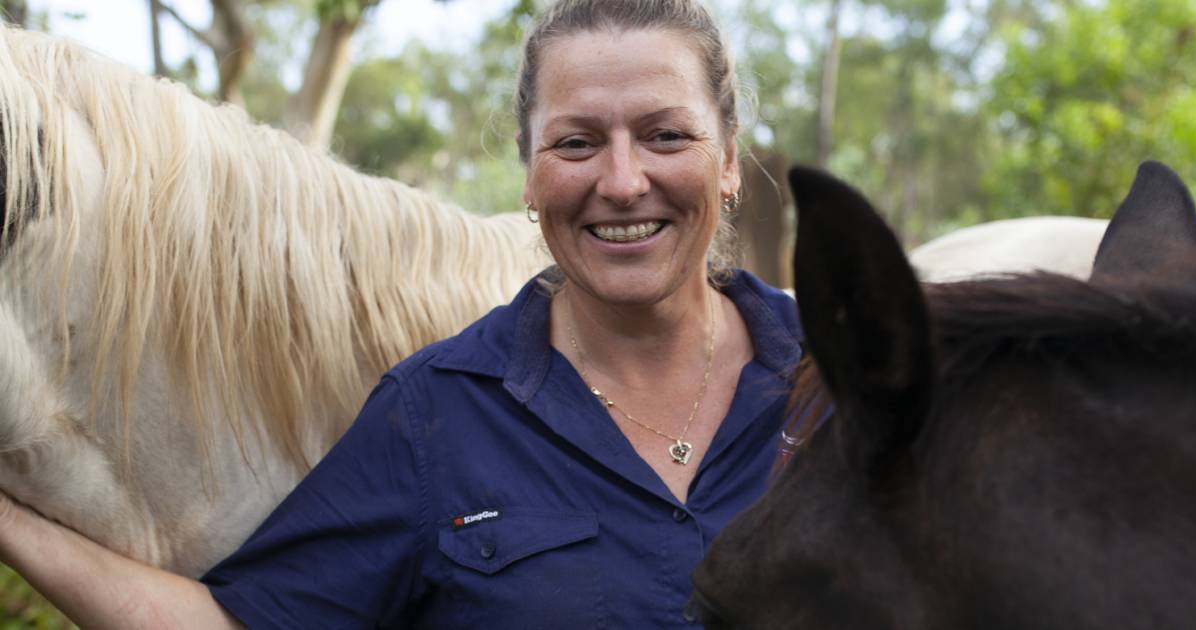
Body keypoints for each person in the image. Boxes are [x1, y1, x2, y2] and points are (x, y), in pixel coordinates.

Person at [0, 0, 802, 627]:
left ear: (728, 160)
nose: (623, 181)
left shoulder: (844, 377)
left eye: (665, 135)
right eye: (576, 143)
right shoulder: (434, 413)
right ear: (528, 175)